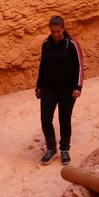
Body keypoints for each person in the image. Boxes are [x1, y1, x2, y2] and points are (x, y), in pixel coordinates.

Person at [34, 15, 82, 164]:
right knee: (46, 118)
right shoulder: (46, 44)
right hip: (49, 87)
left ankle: (65, 149)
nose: (55, 34)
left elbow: (79, 65)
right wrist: (39, 85)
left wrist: (78, 87)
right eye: (53, 31)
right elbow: (43, 65)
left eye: (58, 31)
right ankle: (51, 148)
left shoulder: (71, 44)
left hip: (67, 88)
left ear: (63, 29)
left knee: (64, 118)